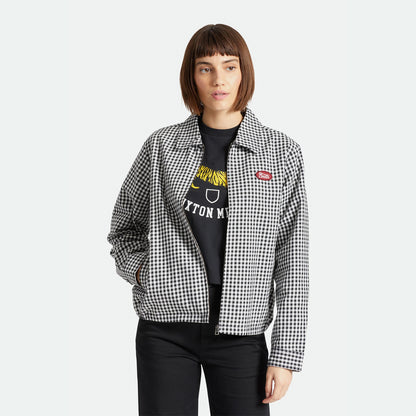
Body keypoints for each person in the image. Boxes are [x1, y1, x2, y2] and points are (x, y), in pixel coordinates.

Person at [107, 23, 309, 416]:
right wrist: (147, 273)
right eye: (206, 68)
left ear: (244, 73)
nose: (219, 80)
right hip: (165, 329)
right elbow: (123, 229)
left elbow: (293, 258)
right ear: (192, 77)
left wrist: (286, 354)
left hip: (242, 329)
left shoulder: (281, 153)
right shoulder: (162, 146)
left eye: (229, 66)